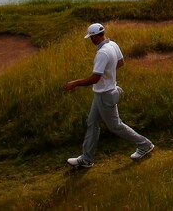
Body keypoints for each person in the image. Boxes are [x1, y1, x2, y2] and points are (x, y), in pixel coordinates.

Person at [64, 23, 154, 168]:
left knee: (115, 126)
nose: (90, 40)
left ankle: (145, 145)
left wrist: (75, 83)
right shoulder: (113, 44)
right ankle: (87, 159)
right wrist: (109, 73)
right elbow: (121, 62)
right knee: (92, 124)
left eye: (90, 37)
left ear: (94, 37)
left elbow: (94, 78)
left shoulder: (102, 53)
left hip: (105, 95)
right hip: (102, 93)